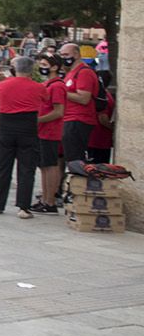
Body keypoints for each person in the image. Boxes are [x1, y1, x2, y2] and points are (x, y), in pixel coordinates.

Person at [0, 56, 44, 218]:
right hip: (28, 129)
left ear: (15, 68)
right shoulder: (38, 87)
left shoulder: (3, 85)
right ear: (31, 70)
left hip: (6, 128)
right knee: (26, 169)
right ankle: (23, 207)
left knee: (1, 167)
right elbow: (45, 99)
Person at [57, 42, 100, 173]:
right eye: (61, 55)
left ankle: (80, 185)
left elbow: (84, 98)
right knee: (70, 156)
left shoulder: (84, 72)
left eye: (66, 55)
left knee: (75, 158)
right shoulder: (72, 72)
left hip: (78, 119)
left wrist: (62, 92)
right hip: (70, 118)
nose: (63, 58)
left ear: (76, 54)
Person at [34, 54, 67, 213]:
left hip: (50, 132)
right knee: (44, 165)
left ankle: (50, 201)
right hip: (42, 132)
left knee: (50, 165)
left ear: (54, 67)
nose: (42, 67)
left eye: (45, 64)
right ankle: (46, 199)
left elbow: (59, 111)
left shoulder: (57, 86)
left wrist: (39, 120)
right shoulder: (47, 84)